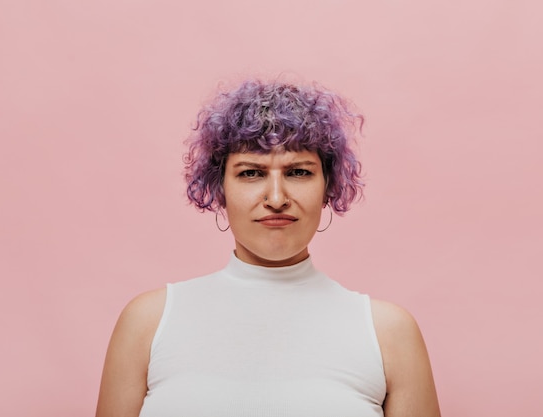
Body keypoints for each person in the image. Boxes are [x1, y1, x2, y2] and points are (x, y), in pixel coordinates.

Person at [95, 79, 441, 417]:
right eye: (250, 174)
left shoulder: (389, 333)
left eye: (299, 173)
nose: (276, 199)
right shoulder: (148, 322)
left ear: (328, 187)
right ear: (219, 189)